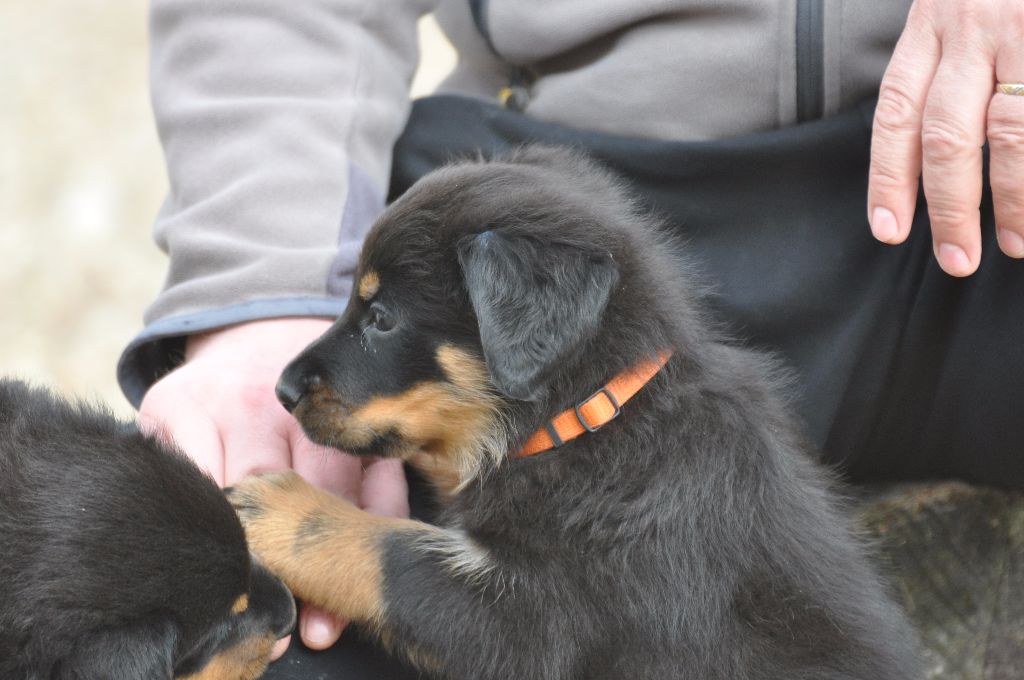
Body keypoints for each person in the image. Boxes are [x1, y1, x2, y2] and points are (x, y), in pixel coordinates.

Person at [122, 0, 1024, 676]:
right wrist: (265, 288)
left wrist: (322, 538)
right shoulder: (517, 261)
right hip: (567, 157)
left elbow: (515, 624)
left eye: (379, 320)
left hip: (985, 176)